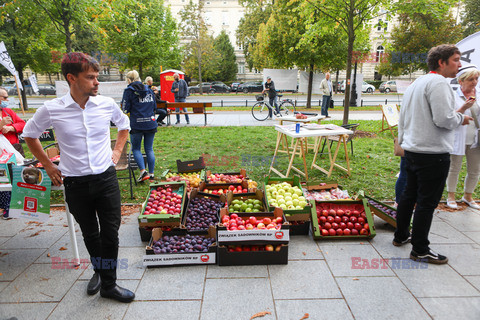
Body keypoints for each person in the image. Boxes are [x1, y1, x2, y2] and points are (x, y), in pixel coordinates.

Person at [22, 52, 135, 303]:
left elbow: (124, 125)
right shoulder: (52, 108)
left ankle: (109, 283)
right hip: (75, 183)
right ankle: (101, 271)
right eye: (91, 77)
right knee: (90, 233)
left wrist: (117, 150)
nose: (97, 82)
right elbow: (29, 134)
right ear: (72, 78)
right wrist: (48, 166)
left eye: (97, 77)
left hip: (105, 179)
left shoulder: (105, 104)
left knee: (110, 233)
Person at [394, 44, 474, 264]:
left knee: (409, 196)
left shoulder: (417, 82)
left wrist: (404, 142)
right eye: (456, 60)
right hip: (432, 153)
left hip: (413, 150)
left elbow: (405, 118)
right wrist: (462, 118)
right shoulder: (439, 83)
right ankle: (420, 249)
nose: (459, 64)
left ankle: (401, 236)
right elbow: (444, 120)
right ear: (442, 62)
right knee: (426, 203)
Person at [446, 65, 480, 209]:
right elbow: (449, 116)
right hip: (458, 137)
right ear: (461, 81)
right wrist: (464, 107)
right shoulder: (453, 96)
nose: (474, 82)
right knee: (454, 168)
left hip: (475, 139)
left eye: (476, 78)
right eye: (471, 79)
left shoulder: (479, 94)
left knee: (475, 169)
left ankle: (468, 196)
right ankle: (451, 196)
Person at [121, 70, 158, 182]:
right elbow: (154, 106)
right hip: (150, 122)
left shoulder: (129, 91)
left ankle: (143, 171)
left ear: (128, 79)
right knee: (149, 149)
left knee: (136, 148)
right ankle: (151, 173)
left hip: (137, 123)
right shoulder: (149, 90)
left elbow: (125, 108)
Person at [0, 87, 26, 219]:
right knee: (4, 180)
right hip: (1, 154)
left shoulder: (7, 111)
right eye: (4, 97)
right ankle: (6, 208)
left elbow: (22, 124)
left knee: (15, 176)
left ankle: (15, 206)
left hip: (13, 149)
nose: (6, 100)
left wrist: (11, 127)